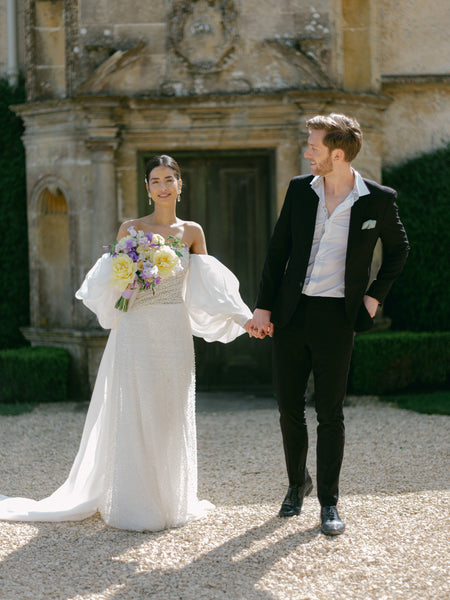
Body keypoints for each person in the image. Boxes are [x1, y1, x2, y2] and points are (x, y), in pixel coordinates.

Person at [0, 155, 252, 531]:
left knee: (170, 409)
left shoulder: (193, 232)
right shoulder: (131, 229)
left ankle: (172, 500)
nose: (163, 186)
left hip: (173, 328)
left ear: (180, 185)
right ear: (147, 187)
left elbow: (208, 287)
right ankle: (136, 505)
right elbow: (110, 284)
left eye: (170, 179)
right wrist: (134, 278)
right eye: (155, 180)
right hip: (136, 329)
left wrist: (243, 317)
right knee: (135, 408)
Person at [248, 114, 409, 535]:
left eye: (314, 147)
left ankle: (329, 502)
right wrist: (263, 307)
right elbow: (277, 250)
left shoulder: (377, 199)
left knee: (330, 412)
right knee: (288, 406)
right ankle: (296, 483)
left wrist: (373, 298)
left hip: (337, 317)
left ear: (337, 154)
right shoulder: (301, 191)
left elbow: (399, 251)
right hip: (291, 313)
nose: (307, 153)